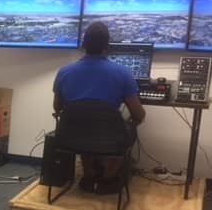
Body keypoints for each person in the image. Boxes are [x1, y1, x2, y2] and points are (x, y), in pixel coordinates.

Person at [52, 21, 146, 194]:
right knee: (128, 129)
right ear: (108, 45)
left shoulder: (64, 71)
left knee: (84, 127)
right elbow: (139, 115)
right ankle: (107, 178)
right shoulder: (123, 73)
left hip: (71, 136)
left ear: (84, 44)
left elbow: (57, 107)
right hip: (110, 139)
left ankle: (89, 175)